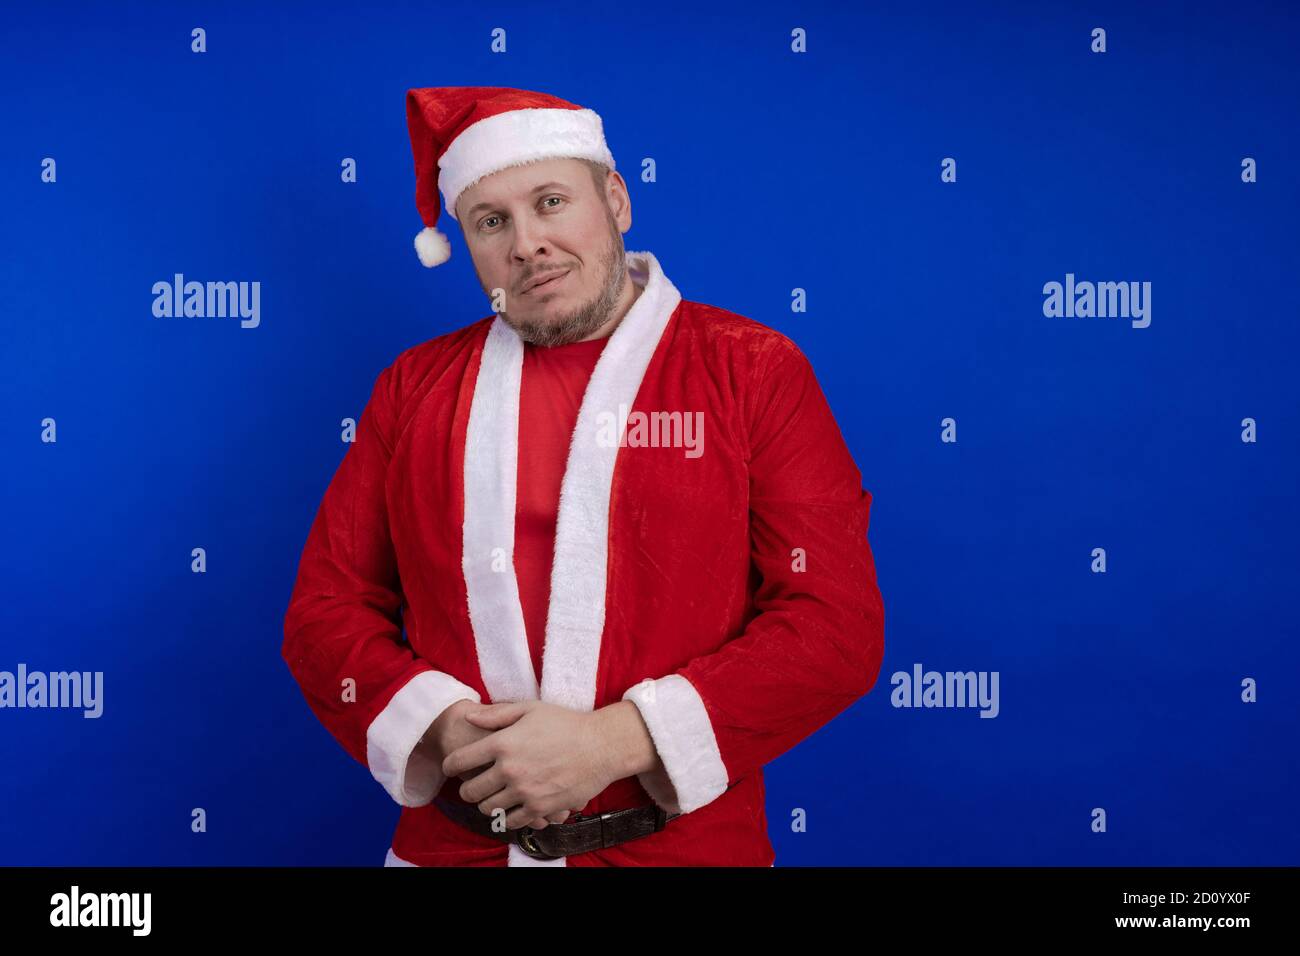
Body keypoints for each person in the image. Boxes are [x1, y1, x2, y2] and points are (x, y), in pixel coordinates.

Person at [281, 86, 886, 867]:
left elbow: (832, 625)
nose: (528, 244)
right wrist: (444, 728)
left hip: (682, 852)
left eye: (552, 201)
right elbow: (326, 610)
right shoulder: (413, 387)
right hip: (454, 850)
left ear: (616, 199)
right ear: (464, 243)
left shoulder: (752, 370)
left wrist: (612, 743)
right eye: (491, 222)